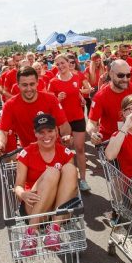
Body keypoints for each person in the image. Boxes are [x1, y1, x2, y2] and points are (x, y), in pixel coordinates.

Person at [14, 114, 78, 256]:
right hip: (35, 207)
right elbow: (17, 186)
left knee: (70, 169)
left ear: (56, 131)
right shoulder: (27, 153)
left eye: (50, 131)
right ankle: (31, 232)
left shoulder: (65, 153)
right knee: (52, 172)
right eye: (41, 132)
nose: (46, 136)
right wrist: (23, 194)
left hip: (59, 212)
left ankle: (54, 229)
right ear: (35, 134)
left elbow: (71, 186)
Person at [0, 66, 71, 154]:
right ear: (18, 84)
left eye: (32, 84)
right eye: (24, 85)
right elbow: (3, 131)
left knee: (69, 167)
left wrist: (66, 136)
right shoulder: (10, 105)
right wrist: (1, 143)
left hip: (53, 149)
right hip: (29, 154)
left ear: (37, 83)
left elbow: (63, 124)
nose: (29, 89)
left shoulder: (51, 99)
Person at [47, 54, 92, 192]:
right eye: (57, 64)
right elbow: (49, 104)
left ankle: (83, 179)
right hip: (62, 121)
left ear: (69, 63)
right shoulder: (53, 82)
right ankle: (64, 179)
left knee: (79, 148)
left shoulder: (77, 77)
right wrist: (57, 98)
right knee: (64, 151)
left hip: (78, 117)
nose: (60, 66)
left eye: (62, 63)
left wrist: (81, 99)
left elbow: (77, 91)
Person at [88, 60, 132, 143]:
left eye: (128, 75)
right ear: (111, 74)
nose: (125, 79)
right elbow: (91, 122)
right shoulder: (100, 96)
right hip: (111, 141)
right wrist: (93, 133)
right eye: (120, 75)